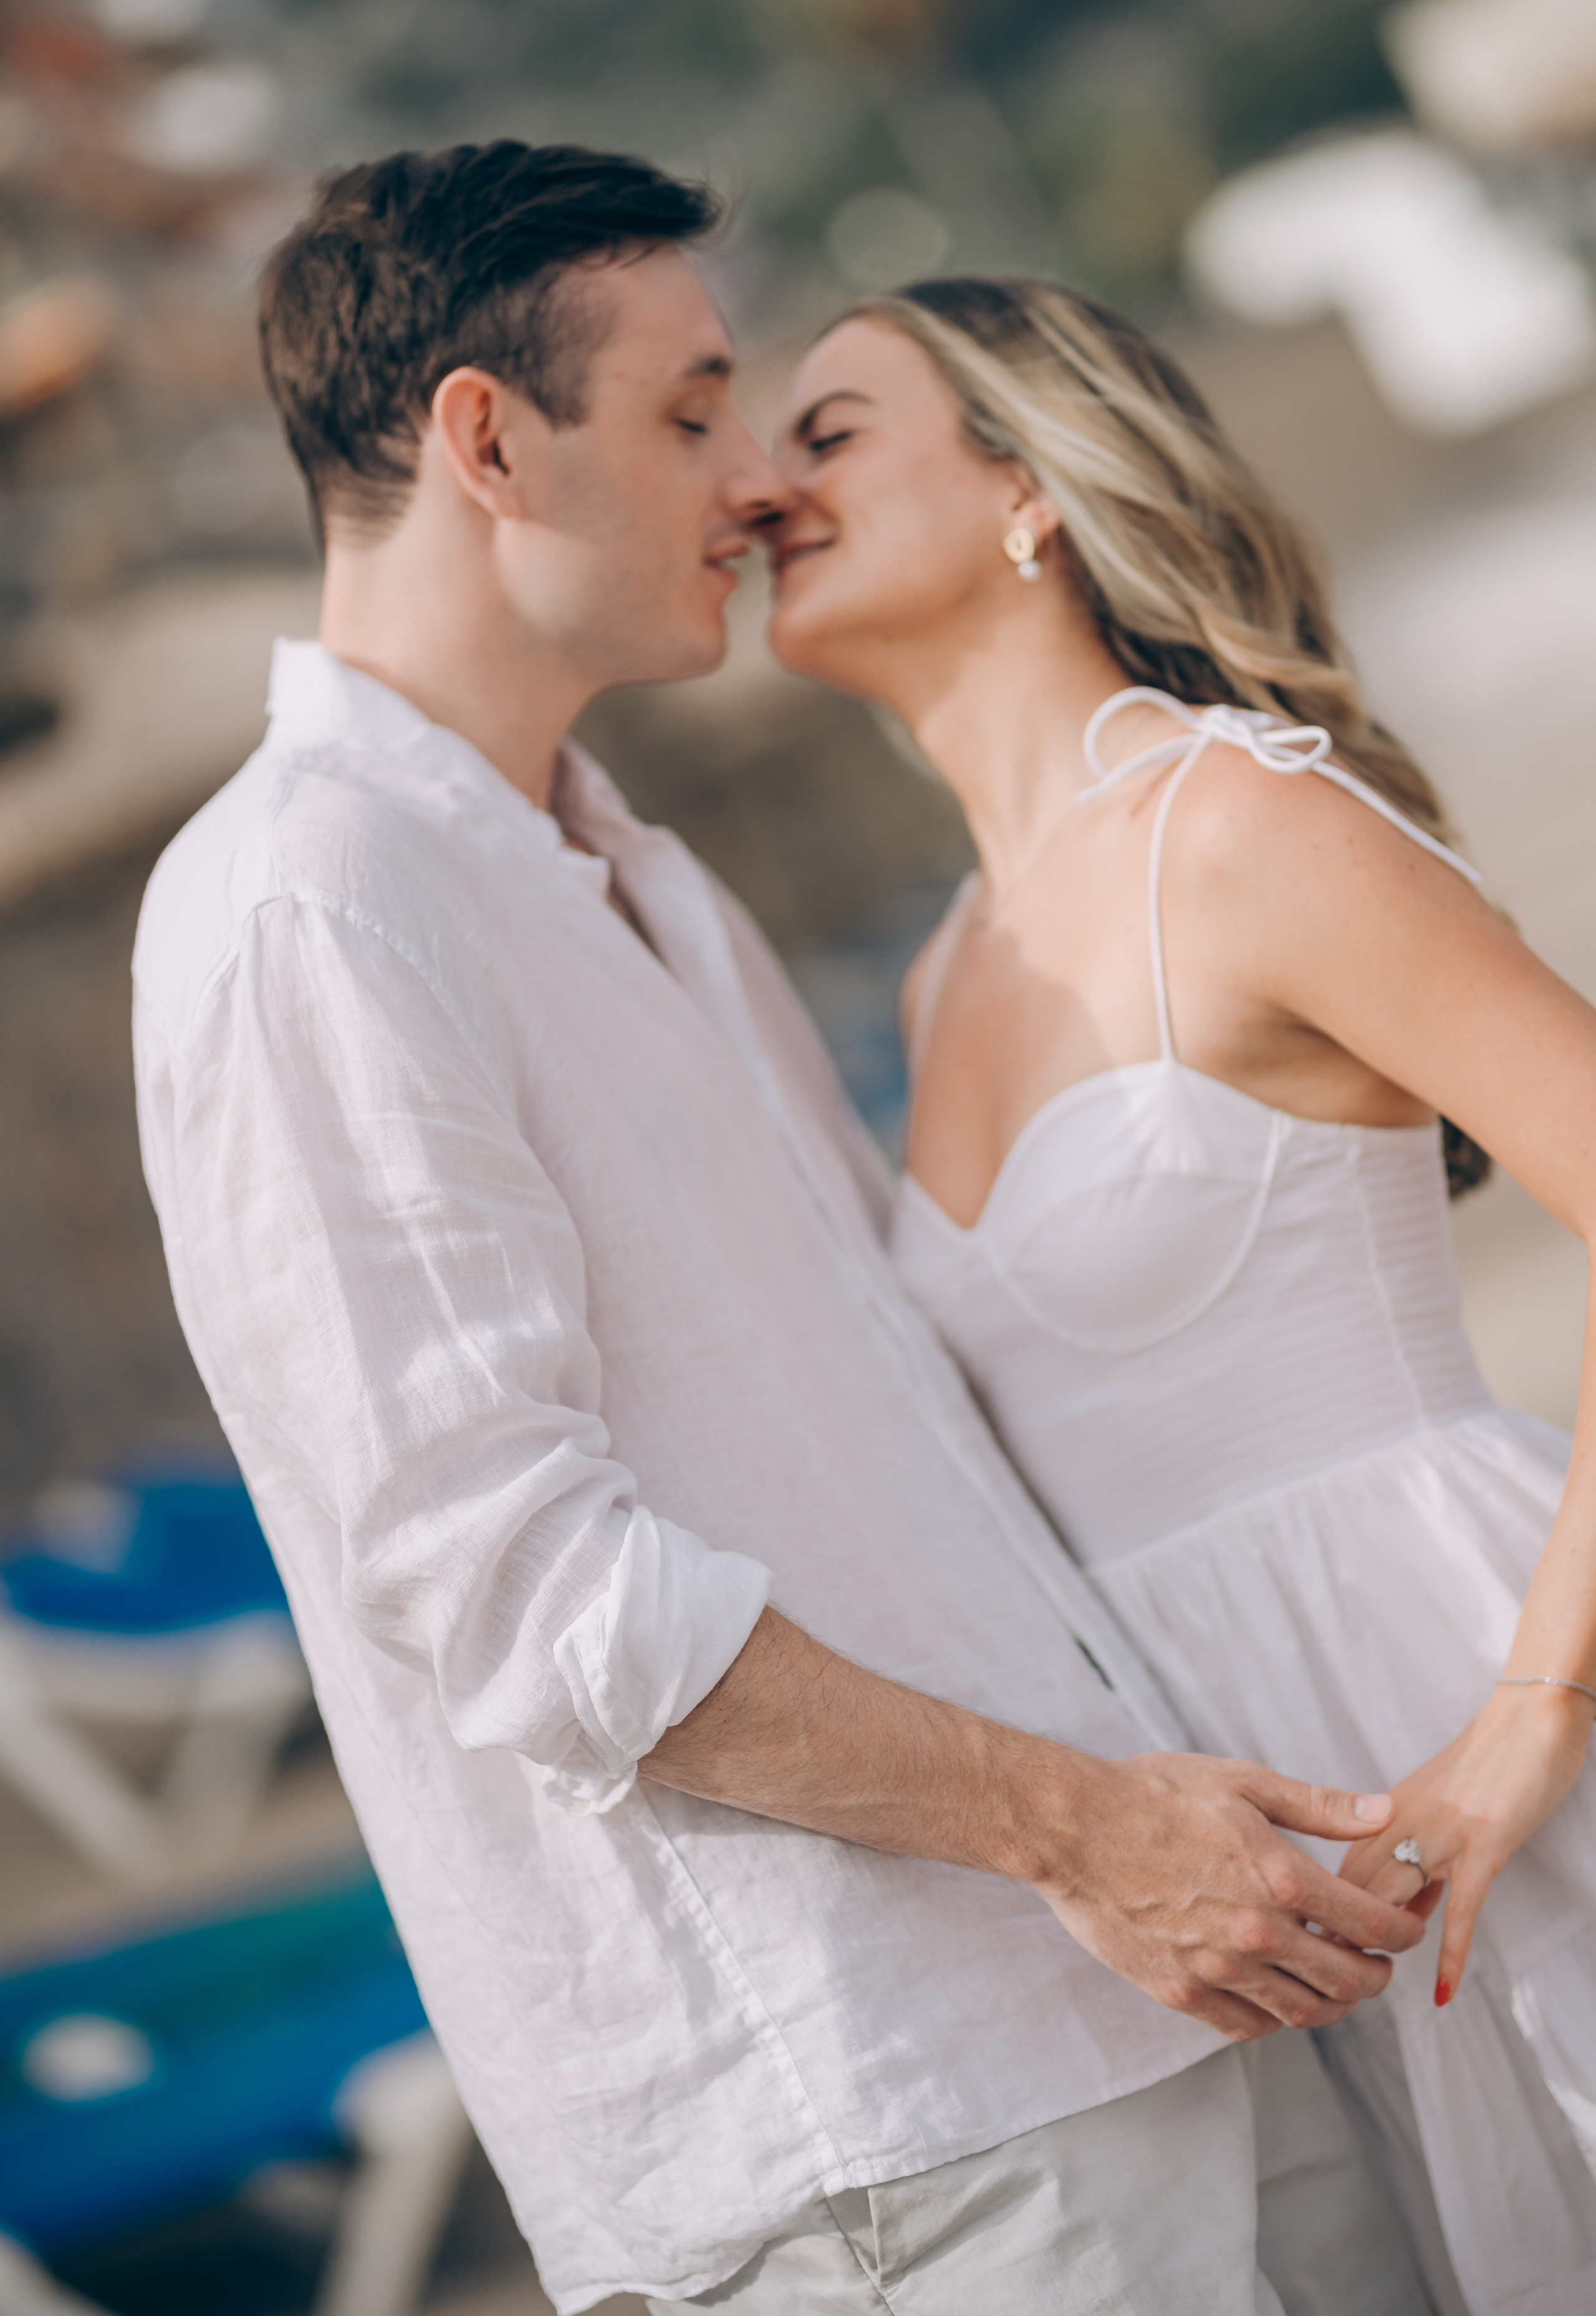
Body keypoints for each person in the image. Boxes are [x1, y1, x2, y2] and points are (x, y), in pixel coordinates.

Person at [130, 147, 1428, 2315]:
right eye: (691, 408)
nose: (751, 481)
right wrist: (1086, 1832)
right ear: (484, 438)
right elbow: (519, 1586)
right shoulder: (310, 909)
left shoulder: (632, 871)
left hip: (1146, 1982)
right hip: (883, 2128)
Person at [763, 274, 1596, 2315]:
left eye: (834, 429)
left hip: (1464, 1725)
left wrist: (1525, 1714)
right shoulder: (941, 968)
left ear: (1031, 489)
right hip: (1243, 1864)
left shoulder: (1237, 827)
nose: (769, 483)